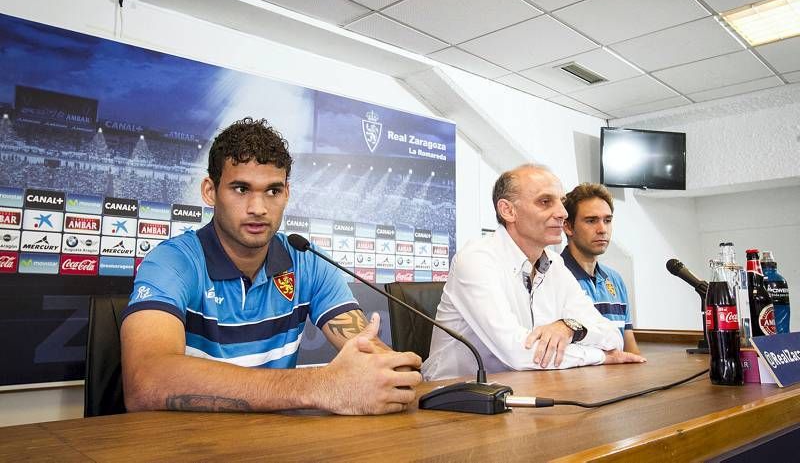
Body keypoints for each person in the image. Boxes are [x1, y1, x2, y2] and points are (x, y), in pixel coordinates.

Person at [121, 118, 421, 415]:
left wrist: (388, 373)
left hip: (279, 444)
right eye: (241, 189)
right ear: (210, 191)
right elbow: (145, 381)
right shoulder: (173, 260)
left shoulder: (307, 259)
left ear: (286, 194)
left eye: (273, 191)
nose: (258, 208)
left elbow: (370, 353)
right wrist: (321, 386)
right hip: (188, 446)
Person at [422, 164, 645, 381]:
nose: (562, 213)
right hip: (455, 400)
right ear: (508, 210)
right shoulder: (476, 259)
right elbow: (518, 354)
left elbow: (613, 337)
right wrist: (600, 357)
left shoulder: (555, 264)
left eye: (562, 202)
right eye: (545, 202)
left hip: (524, 390)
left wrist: (571, 328)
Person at [562, 183, 639, 354]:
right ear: (567, 226)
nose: (602, 229)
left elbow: (630, 349)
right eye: (591, 221)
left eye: (607, 220)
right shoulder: (554, 276)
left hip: (619, 378)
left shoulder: (615, 280)